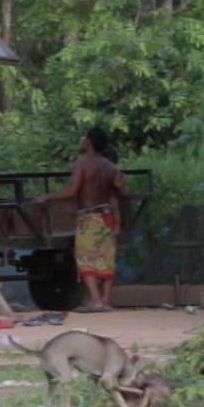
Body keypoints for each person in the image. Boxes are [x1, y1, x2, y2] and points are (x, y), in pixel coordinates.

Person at [37, 127, 128, 313]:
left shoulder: (82, 165)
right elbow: (123, 191)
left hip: (89, 219)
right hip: (107, 217)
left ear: (88, 142)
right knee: (107, 259)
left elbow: (72, 191)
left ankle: (95, 301)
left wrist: (46, 197)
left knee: (86, 259)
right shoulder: (112, 167)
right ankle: (106, 300)